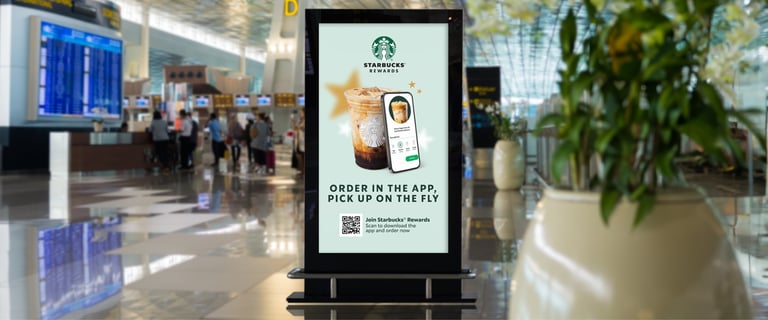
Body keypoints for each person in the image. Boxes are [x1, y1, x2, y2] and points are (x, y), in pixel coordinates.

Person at [294, 108, 305, 176]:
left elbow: (302, 128)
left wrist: (299, 128)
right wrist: (294, 123)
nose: (300, 114)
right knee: (300, 155)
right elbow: (297, 128)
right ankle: (301, 170)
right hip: (298, 140)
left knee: (303, 155)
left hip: (303, 140)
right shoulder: (301, 121)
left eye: (301, 112)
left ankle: (303, 170)